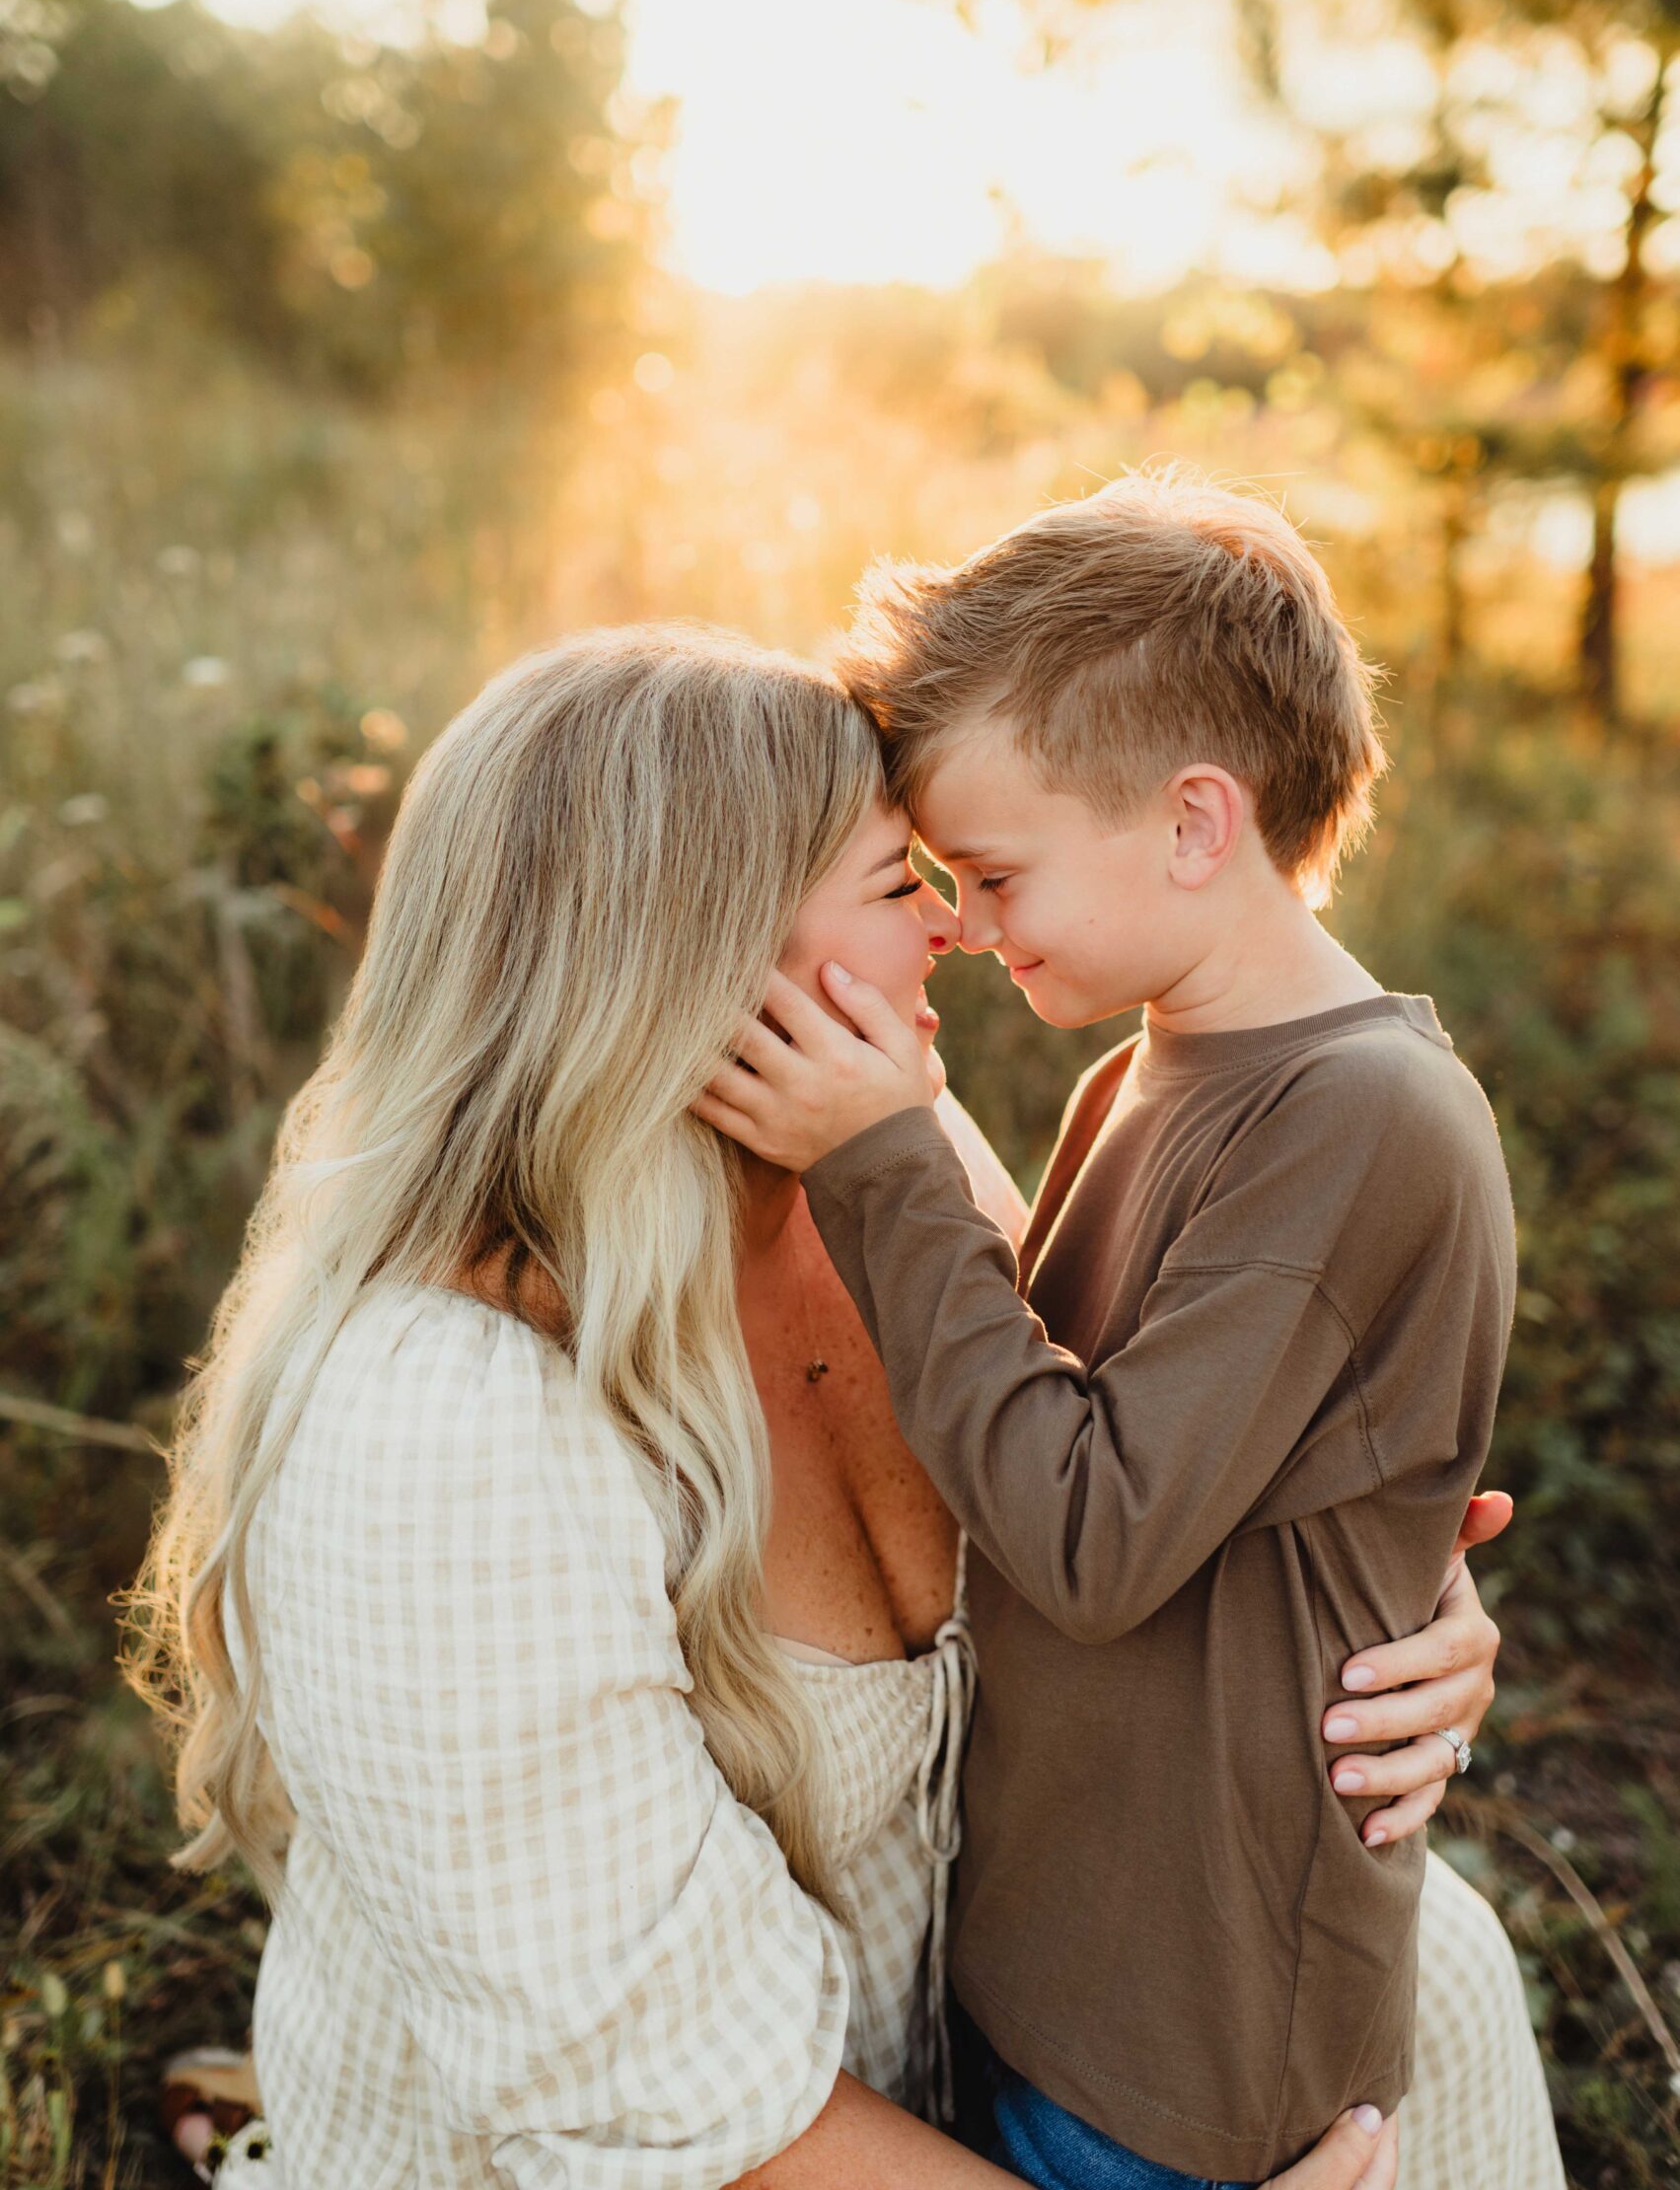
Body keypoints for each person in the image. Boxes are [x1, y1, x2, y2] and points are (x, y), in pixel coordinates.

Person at [129, 626, 1526, 2190]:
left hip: (1013, 2043)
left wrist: (1389, 1619)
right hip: (696, 2153)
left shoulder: (890, 1171)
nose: (955, 933)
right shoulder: (438, 1432)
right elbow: (681, 2104)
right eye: (892, 886)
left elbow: (1128, 1482)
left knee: (1447, 1975)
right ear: (693, 955)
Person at [696, 474, 1569, 2190]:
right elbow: (1036, 1425)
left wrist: (881, 1165)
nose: (961, 920)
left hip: (1188, 2036)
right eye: (939, 880)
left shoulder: (1366, 1116)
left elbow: (1090, 1535)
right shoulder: (1146, 1071)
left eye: (996, 871)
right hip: (1065, 1959)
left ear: (1192, 824)